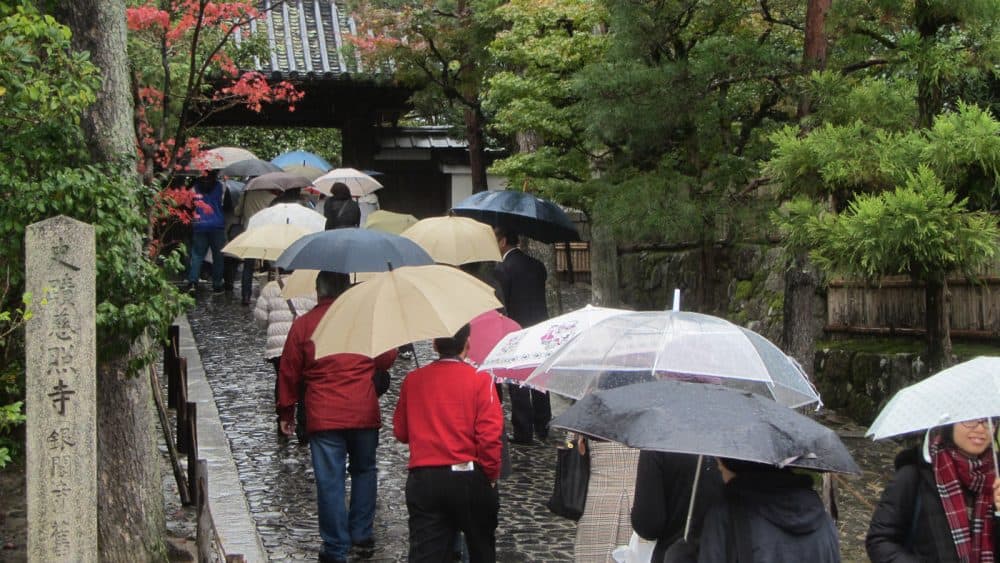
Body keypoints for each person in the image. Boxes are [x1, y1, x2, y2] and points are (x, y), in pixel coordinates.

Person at [278, 271, 398, 563]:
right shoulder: (362, 321)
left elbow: (289, 370)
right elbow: (386, 359)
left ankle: (335, 546)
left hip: (324, 414)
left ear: (318, 292)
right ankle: (361, 534)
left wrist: (287, 410)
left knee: (329, 480)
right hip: (362, 409)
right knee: (364, 470)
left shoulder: (303, 325)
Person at [393, 324, 504, 563]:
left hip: (425, 481)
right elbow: (490, 437)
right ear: (468, 344)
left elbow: (401, 432)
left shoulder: (413, 380)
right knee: (481, 549)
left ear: (434, 344)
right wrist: (492, 474)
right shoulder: (481, 380)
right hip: (470, 479)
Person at [867, 419, 1000, 562]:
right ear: (949, 423)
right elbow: (880, 541)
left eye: (989, 421)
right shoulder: (914, 474)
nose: (981, 429)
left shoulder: (996, 477)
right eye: (971, 420)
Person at [696, 458, 839, 563]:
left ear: (737, 468)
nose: (722, 477)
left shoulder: (724, 515)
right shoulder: (820, 515)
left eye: (721, 469)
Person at [493, 226, 551, 444]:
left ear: (503, 241)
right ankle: (543, 424)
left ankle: (523, 430)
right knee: (539, 376)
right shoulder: (537, 266)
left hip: (515, 329)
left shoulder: (502, 269)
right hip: (539, 327)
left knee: (517, 380)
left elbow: (503, 304)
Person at [253, 270, 316, 442]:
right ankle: (304, 427)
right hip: (303, 344)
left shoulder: (270, 288)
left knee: (282, 380)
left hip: (278, 346)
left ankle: (283, 420)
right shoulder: (310, 288)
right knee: (304, 384)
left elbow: (260, 318)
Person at [631, 452, 726, 562]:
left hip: (674, 554)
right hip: (730, 553)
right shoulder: (739, 444)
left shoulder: (659, 442)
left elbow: (648, 526)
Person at [574, 436, 641, 562]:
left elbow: (574, 448)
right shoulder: (653, 424)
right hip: (638, 499)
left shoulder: (590, 420)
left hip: (597, 500)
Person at [234, 187, 278, 305]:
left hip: (250, 232)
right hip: (266, 234)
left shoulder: (247, 195)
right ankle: (271, 295)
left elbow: (237, 212)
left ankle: (246, 296)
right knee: (271, 265)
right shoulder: (272, 198)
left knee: (248, 266)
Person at [186, 170, 226, 293]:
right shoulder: (221, 186)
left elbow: (188, 206)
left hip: (200, 224)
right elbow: (225, 205)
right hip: (217, 225)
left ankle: (193, 282)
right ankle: (217, 284)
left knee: (197, 255)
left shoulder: (194, 188)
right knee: (218, 256)